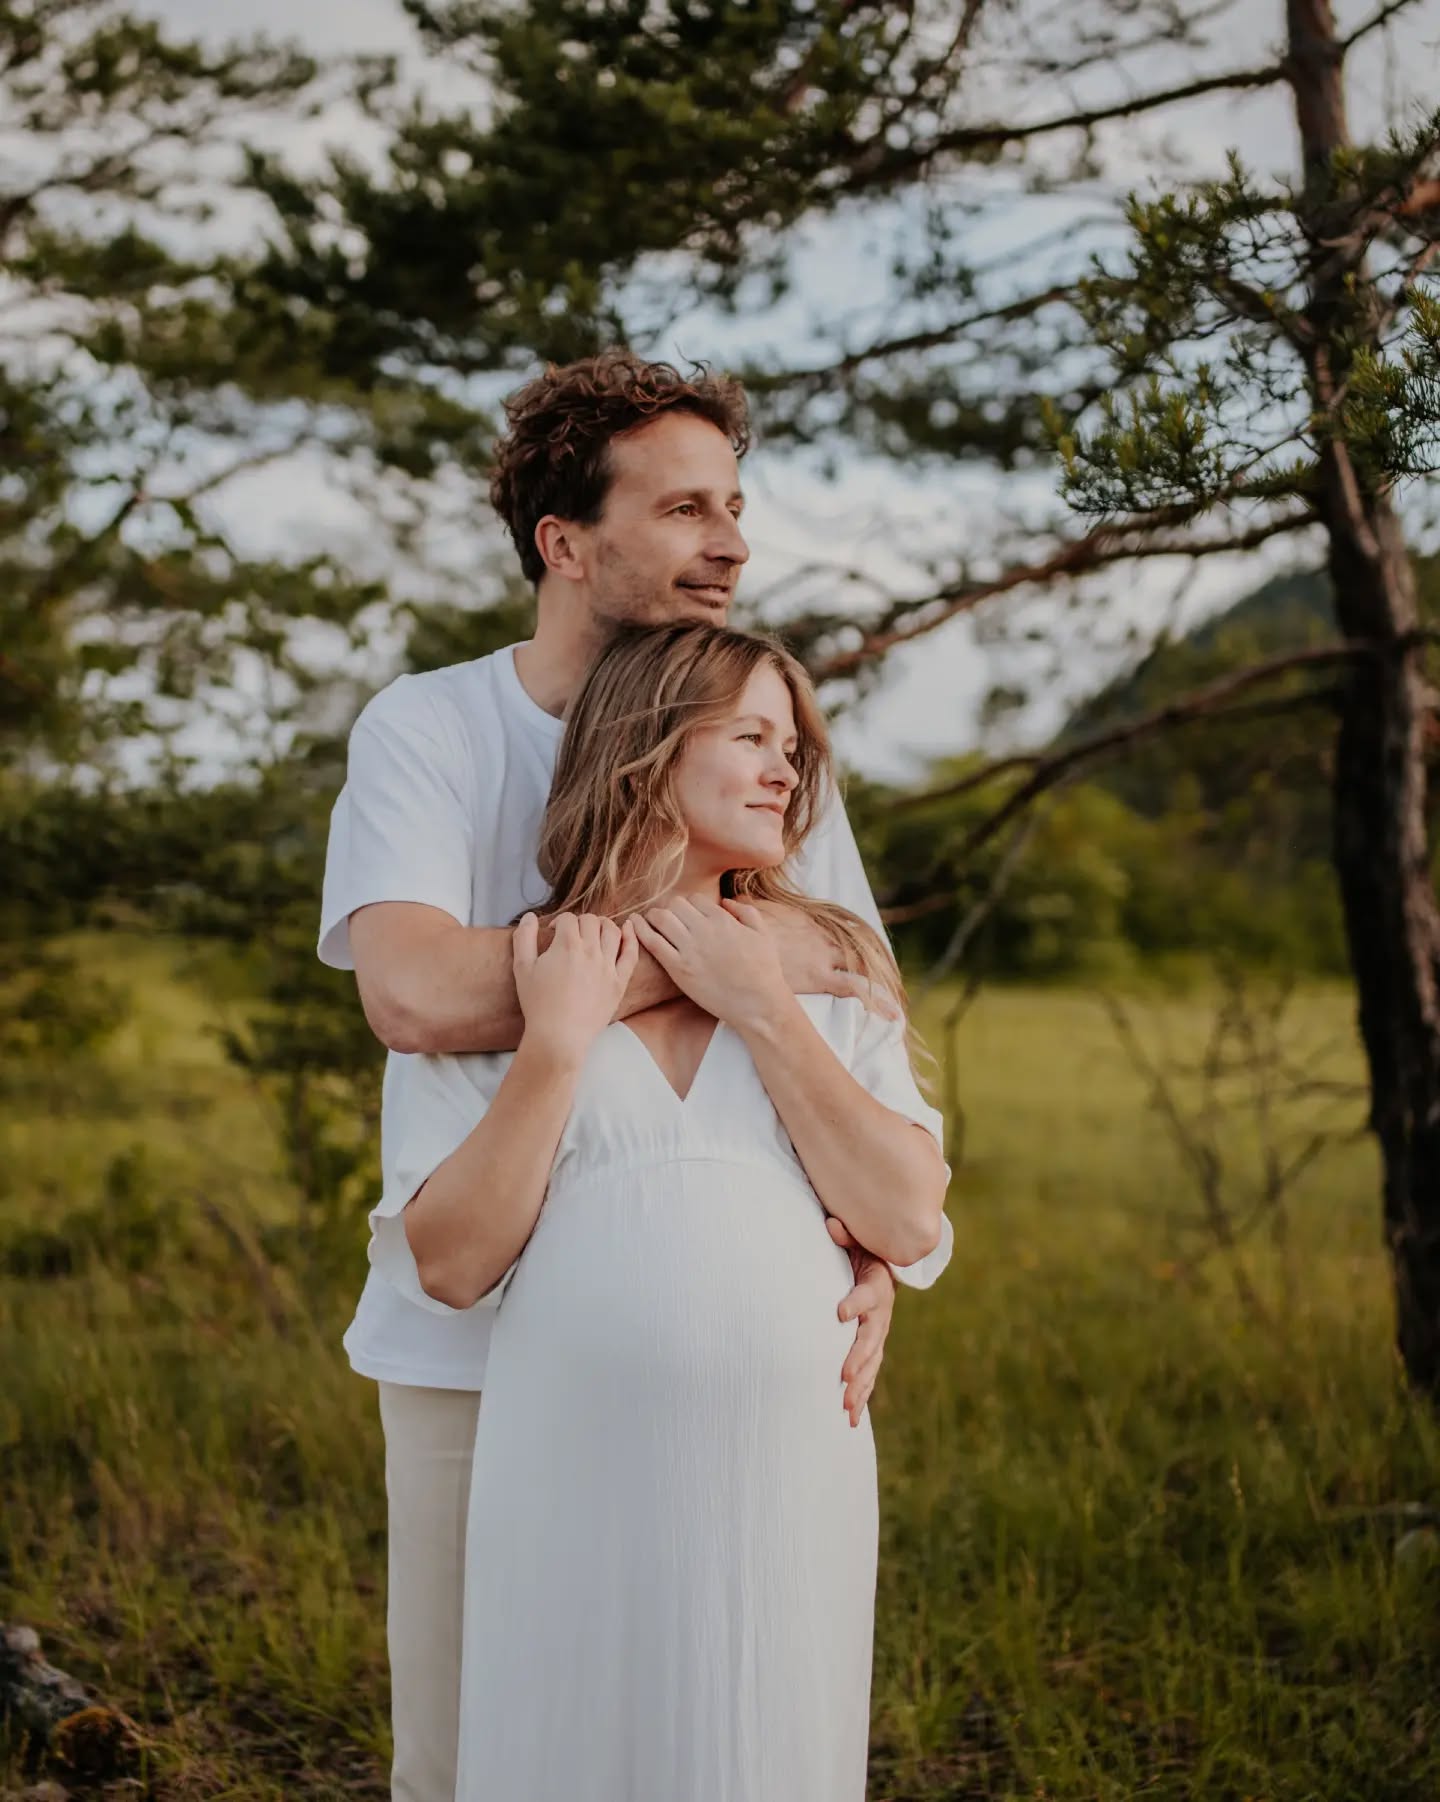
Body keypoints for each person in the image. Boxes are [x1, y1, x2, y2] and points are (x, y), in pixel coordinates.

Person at [317, 350, 952, 1802]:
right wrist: (703, 946)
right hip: (472, 1353)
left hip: (750, 1390)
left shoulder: (761, 755)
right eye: (682, 510)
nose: (730, 545)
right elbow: (413, 995)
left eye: (734, 507)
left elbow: (850, 1006)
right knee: (478, 1753)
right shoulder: (436, 727)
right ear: (565, 542)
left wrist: (865, 1255)